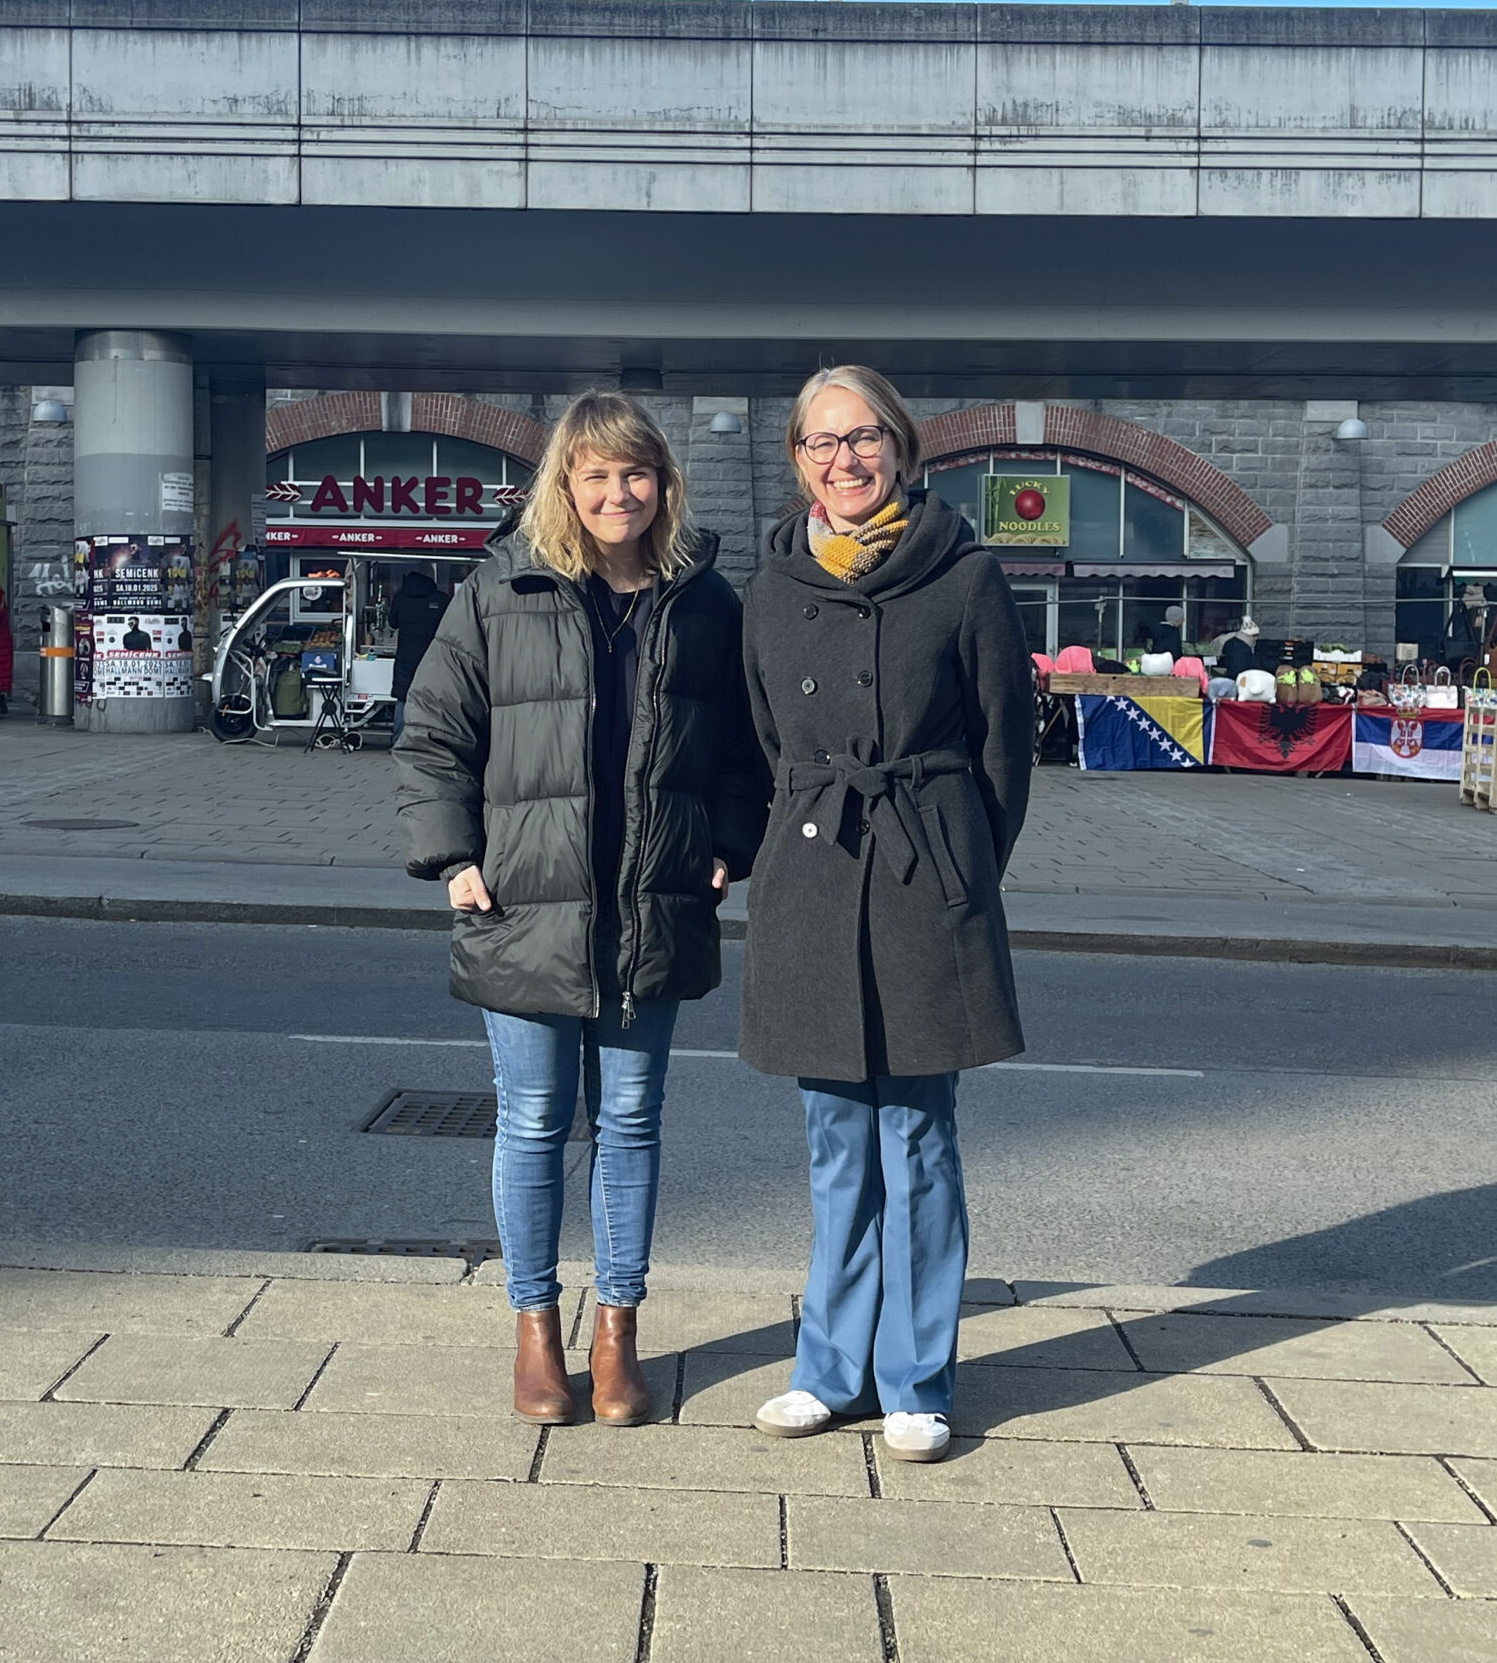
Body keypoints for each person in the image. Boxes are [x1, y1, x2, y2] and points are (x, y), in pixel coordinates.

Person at [397, 391, 767, 1426]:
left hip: (649, 898)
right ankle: (534, 1334)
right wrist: (452, 854)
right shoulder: (499, 589)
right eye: (597, 474)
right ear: (566, 484)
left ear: (663, 484)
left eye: (636, 473)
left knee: (634, 1120)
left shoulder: (705, 601)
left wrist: (728, 845)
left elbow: (744, 749)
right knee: (531, 1121)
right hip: (522, 895)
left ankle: (617, 1335)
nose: (619, 492)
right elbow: (433, 733)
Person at [739, 364, 1034, 1466]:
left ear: (901, 449)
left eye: (862, 438)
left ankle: (916, 1380)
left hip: (923, 876)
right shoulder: (771, 585)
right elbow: (766, 742)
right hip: (815, 875)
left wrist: (960, 864)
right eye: (821, 443)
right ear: (798, 462)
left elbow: (1005, 751)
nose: (844, 460)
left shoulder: (964, 577)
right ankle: (826, 1368)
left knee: (916, 1137)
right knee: (831, 1142)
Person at [384, 568, 451, 748]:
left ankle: (398, 740)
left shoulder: (400, 598)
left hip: (406, 657)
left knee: (403, 699)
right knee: (433, 701)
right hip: (433, 657)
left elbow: (392, 623)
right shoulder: (441, 600)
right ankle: (431, 742)